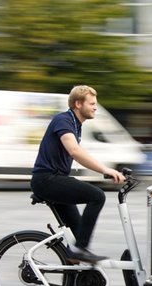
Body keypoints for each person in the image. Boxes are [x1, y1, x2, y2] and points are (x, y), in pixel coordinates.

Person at [31, 85, 125, 264]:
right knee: (97, 196)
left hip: (55, 179)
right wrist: (106, 170)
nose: (95, 107)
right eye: (92, 104)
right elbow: (74, 150)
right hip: (47, 180)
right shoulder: (63, 120)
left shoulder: (75, 124)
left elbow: (78, 151)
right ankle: (78, 251)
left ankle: (74, 275)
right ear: (78, 104)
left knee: (79, 231)